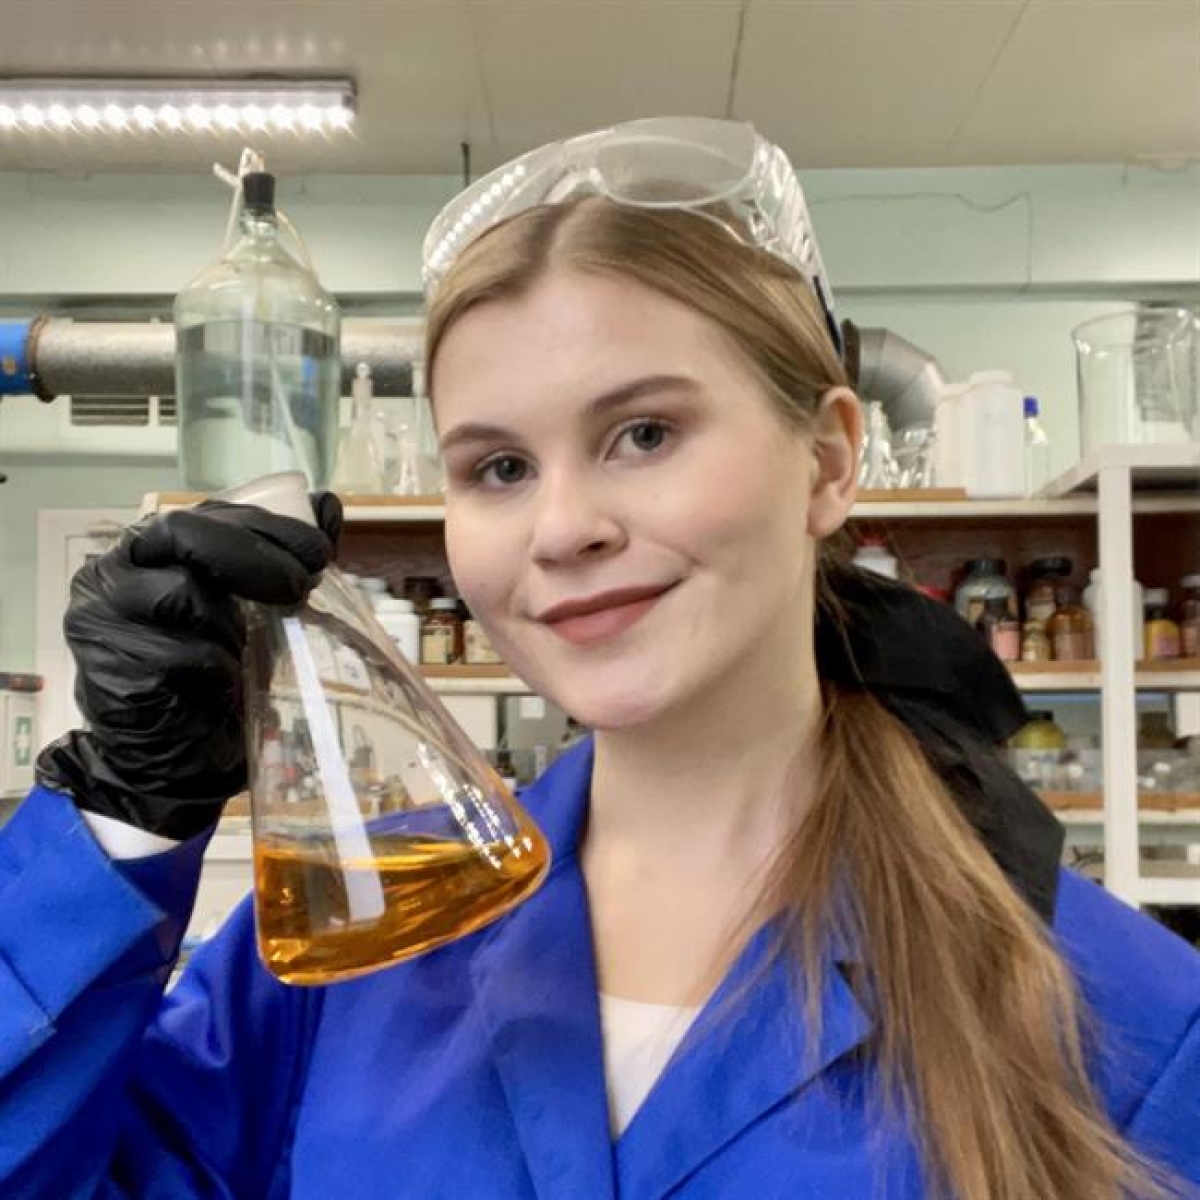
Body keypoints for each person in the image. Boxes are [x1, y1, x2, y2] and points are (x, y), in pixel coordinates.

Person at [1, 118, 1197, 1199]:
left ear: (829, 461)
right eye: (500, 468)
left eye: (644, 433)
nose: (563, 527)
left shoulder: (1124, 1023)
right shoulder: (355, 945)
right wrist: (128, 812)